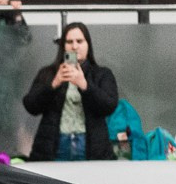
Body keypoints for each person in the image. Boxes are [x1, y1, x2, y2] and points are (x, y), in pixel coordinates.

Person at [23, 23, 119, 161]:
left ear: (88, 45)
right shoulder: (49, 73)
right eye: (69, 42)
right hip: (54, 144)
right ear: (63, 46)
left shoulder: (102, 74)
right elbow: (30, 105)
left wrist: (85, 85)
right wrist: (53, 84)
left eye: (79, 41)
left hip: (91, 145)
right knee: (53, 182)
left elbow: (109, 105)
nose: (74, 46)